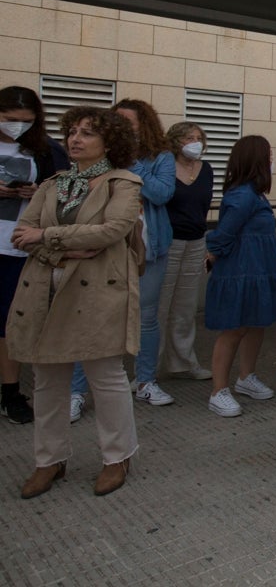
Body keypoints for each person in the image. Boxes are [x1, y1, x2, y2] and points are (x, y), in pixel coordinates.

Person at [9, 107, 142, 497]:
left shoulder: (124, 183)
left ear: (109, 142)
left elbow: (113, 230)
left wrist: (46, 238)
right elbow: (21, 234)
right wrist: (61, 248)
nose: (75, 139)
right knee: (48, 380)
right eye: (73, 132)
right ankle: (49, 460)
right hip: (44, 290)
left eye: (87, 133)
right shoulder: (53, 184)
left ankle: (117, 456)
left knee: (106, 377)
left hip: (99, 291)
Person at [70, 98, 175, 412]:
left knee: (146, 317)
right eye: (115, 123)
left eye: (128, 123)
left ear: (144, 126)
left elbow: (161, 193)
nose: (121, 129)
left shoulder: (161, 157)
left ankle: (145, 382)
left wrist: (130, 160)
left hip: (149, 247)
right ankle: (76, 392)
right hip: (101, 248)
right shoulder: (95, 155)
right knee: (89, 317)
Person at [203, 136, 276, 417]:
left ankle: (246, 377)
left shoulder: (255, 193)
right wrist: (212, 254)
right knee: (235, 328)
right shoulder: (242, 195)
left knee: (256, 323)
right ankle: (219, 390)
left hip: (258, 271)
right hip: (240, 271)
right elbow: (224, 233)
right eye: (269, 154)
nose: (272, 159)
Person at [0, 86, 68, 424]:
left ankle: (10, 392)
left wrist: (39, 190)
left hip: (17, 246)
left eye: (26, 121)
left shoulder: (45, 150)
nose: (18, 127)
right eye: (11, 120)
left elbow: (67, 190)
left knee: (10, 324)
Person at [158, 122, 214, 381]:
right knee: (159, 306)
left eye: (199, 138)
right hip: (168, 242)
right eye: (189, 138)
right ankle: (150, 366)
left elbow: (203, 206)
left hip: (195, 241)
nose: (195, 142)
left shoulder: (206, 170)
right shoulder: (165, 166)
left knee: (185, 307)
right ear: (175, 141)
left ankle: (184, 361)